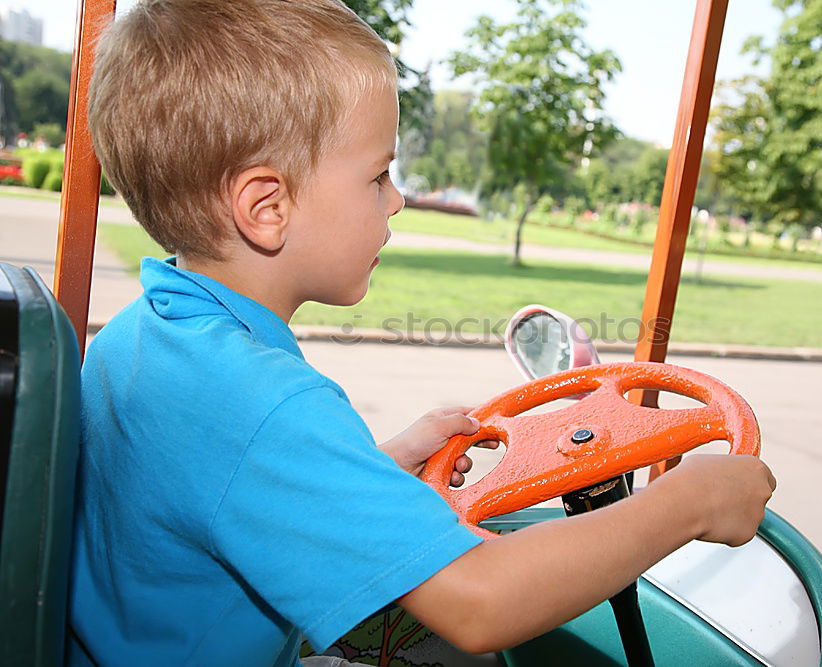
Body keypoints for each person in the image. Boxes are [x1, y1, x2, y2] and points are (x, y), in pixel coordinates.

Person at [69, 1, 777, 665]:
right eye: (378, 174)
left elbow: (228, 487)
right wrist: (684, 504)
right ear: (266, 206)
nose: (399, 198)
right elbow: (480, 602)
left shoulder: (139, 337)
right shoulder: (265, 401)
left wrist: (371, 466)